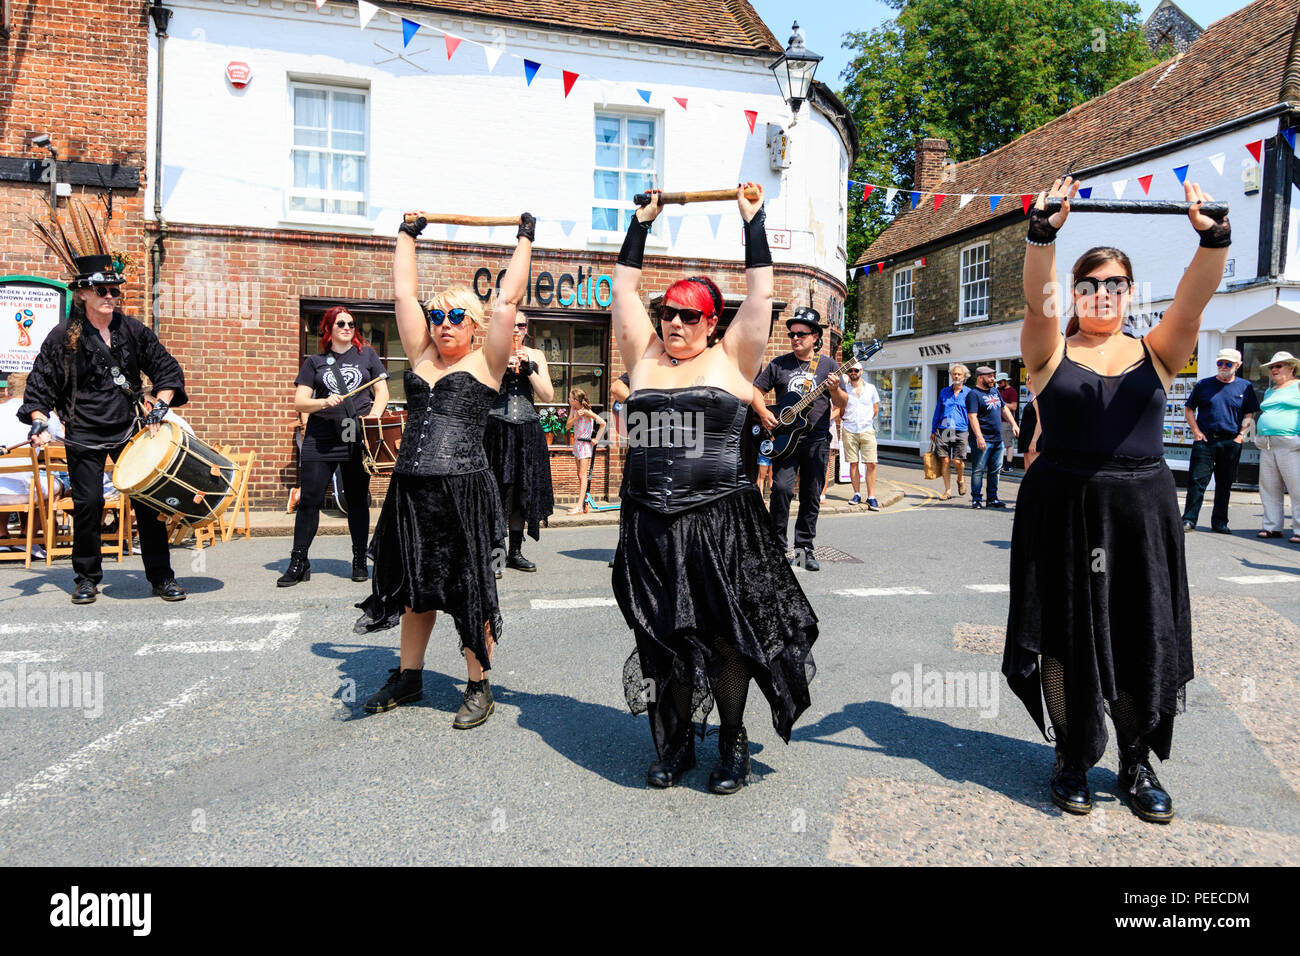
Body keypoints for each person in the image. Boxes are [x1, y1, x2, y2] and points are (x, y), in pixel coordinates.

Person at [1004, 176, 1230, 825]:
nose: (1102, 293)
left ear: (1129, 294)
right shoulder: (1048, 350)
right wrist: (1044, 233)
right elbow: (1038, 303)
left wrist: (1213, 240)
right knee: (1064, 634)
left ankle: (1135, 761)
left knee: (1138, 633)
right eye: (1089, 283)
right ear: (1076, 292)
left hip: (1140, 512)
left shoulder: (1158, 353)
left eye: (1114, 284)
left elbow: (1192, 304)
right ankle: (1072, 756)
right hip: (1062, 508)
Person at [612, 184, 818, 795]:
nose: (674, 323)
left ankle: (731, 743)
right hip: (649, 520)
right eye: (667, 313)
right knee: (665, 633)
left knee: (726, 637)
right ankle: (675, 743)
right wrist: (639, 225)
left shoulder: (734, 357)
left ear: (712, 322)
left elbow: (761, 292)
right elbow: (622, 290)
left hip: (721, 519)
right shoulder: (644, 356)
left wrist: (752, 220)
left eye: (688, 315)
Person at [355, 210, 533, 730]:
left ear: (475, 327)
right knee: (415, 583)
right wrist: (407, 236)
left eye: (455, 318)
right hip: (411, 489)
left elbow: (509, 300)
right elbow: (404, 296)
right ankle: (410, 677)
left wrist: (524, 239)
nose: (443, 325)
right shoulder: (419, 354)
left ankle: (479, 685)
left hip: (464, 490)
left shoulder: (487, 362)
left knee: (467, 587)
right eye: (438, 317)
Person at [21, 202, 189, 604]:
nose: (112, 296)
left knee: (148, 504)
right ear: (82, 294)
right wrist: (40, 420)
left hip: (130, 429)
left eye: (116, 290)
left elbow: (167, 370)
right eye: (103, 290)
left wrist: (161, 407)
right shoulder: (64, 336)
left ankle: (161, 576)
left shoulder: (132, 330)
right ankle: (86, 577)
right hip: (84, 432)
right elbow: (40, 384)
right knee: (89, 504)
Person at [278, 307, 389, 586]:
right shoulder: (314, 362)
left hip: (354, 432)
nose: (347, 327)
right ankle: (298, 561)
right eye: (341, 323)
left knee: (357, 500)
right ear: (329, 327)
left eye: (351, 323)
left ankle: (359, 559)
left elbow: (382, 392)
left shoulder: (367, 355)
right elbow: (300, 402)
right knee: (309, 500)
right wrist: (323, 402)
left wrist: (371, 420)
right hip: (321, 435)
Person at [752, 306, 847, 570]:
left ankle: (805, 549)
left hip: (816, 439)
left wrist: (836, 390)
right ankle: (777, 548)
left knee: (811, 494)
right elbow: (755, 391)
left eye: (801, 334)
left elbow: (842, 403)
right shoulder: (778, 364)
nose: (795, 338)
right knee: (781, 489)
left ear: (815, 337)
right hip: (785, 439)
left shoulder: (829, 365)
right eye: (792, 333)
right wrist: (763, 413)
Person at [483, 310, 554, 572]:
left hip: (526, 430)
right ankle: (496, 555)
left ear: (527, 328)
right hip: (496, 429)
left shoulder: (537, 355)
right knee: (497, 492)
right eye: (511, 325)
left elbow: (547, 395)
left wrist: (529, 370)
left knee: (522, 492)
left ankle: (515, 552)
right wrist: (502, 364)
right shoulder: (490, 352)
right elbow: (484, 390)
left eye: (521, 325)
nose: (516, 330)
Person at [1181, 347, 1259, 533]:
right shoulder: (1203, 385)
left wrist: (1241, 436)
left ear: (1237, 366)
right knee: (1197, 482)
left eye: (1228, 364)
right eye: (1220, 363)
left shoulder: (1245, 387)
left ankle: (1220, 522)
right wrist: (1196, 432)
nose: (1223, 366)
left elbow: (1249, 412)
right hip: (1206, 441)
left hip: (1230, 442)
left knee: (1224, 484)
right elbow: (1189, 409)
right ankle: (1189, 520)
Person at [1255, 351, 1300, 543]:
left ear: (1291, 368)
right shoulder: (1270, 390)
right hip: (1267, 443)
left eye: (1278, 366)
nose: (1274, 369)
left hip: (1290, 443)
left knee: (1297, 487)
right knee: (1269, 487)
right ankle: (1272, 527)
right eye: (1272, 367)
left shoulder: (1298, 386)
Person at [967, 365, 1018, 509]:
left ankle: (992, 498)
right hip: (983, 439)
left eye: (993, 376)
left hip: (997, 439)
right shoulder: (973, 394)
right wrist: (979, 437)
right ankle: (976, 499)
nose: (993, 379)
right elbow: (972, 417)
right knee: (978, 470)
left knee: (995, 470)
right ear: (980, 377)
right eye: (990, 376)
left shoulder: (995, 391)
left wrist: (1014, 424)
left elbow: (1004, 409)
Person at [929, 364, 978, 500]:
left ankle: (960, 479)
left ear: (964, 376)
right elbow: (938, 411)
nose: (956, 376)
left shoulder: (970, 393)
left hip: (961, 430)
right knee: (945, 460)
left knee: (957, 461)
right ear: (951, 375)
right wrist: (933, 430)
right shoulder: (944, 392)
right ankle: (947, 491)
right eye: (954, 374)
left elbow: (973, 414)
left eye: (959, 374)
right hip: (945, 429)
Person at [840, 363, 880, 509]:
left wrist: (866, 419)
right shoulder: (844, 389)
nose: (853, 372)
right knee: (853, 463)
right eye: (850, 370)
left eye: (856, 370)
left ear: (861, 371)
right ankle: (856, 493)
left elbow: (875, 409)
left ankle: (871, 496)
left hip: (867, 429)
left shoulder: (871, 389)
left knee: (872, 463)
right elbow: (841, 410)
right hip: (850, 429)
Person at [565, 387, 606, 514]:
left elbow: (603, 423)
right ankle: (581, 504)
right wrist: (576, 417)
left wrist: (596, 439)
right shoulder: (574, 409)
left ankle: (579, 506)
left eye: (570, 398)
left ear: (576, 400)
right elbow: (567, 426)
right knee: (579, 475)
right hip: (577, 443)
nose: (568, 400)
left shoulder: (587, 411)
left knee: (583, 475)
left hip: (584, 444)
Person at [1018, 375, 1041, 470]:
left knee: (1034, 470)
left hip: (1033, 438)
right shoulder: (1032, 397)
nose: (1026, 382)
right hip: (1026, 437)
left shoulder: (1038, 398)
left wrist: (1034, 441)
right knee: (1027, 469)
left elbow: (1040, 421)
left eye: (1027, 379)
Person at [998, 373, 1019, 467]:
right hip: (997, 421)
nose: (998, 384)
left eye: (1000, 382)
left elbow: (1014, 407)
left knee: (1008, 443)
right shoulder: (997, 390)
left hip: (1006, 421)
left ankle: (1008, 464)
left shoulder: (1012, 391)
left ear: (1006, 381)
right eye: (997, 382)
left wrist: (1002, 403)